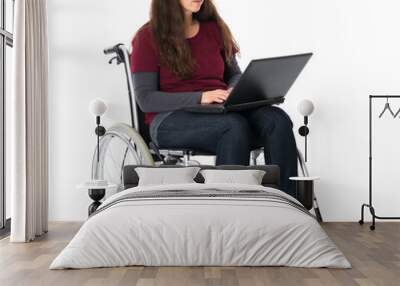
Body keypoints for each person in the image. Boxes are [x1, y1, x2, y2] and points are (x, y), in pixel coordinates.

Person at [130, 0, 298, 197]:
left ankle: (287, 201)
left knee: (276, 119)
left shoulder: (214, 29)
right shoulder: (147, 37)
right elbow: (146, 99)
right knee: (233, 126)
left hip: (220, 109)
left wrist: (235, 89)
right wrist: (201, 97)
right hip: (169, 119)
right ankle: (227, 209)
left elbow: (234, 73)